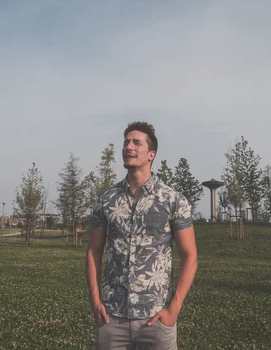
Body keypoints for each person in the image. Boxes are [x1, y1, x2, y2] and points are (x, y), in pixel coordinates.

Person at [85, 121, 198, 349]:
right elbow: (93, 251)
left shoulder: (173, 200)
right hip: (112, 318)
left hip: (156, 320)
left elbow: (190, 256)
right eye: (126, 141)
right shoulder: (105, 199)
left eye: (137, 142)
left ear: (151, 154)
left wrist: (173, 310)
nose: (129, 146)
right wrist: (96, 303)